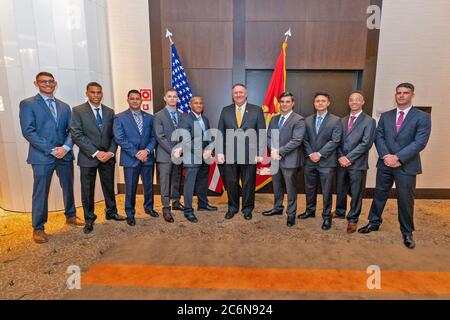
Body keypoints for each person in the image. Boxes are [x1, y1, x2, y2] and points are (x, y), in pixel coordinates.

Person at [358, 83, 431, 249]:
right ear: (395, 95)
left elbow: (420, 142)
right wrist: (386, 156)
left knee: (405, 199)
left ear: (412, 95)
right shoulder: (386, 116)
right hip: (385, 163)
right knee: (379, 194)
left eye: (405, 93)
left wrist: (398, 157)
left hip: (406, 165)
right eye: (399, 93)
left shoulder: (422, 117)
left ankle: (407, 232)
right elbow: (379, 137)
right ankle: (373, 222)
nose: (401, 95)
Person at [19, 71, 83, 243]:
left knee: (68, 187)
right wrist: (52, 150)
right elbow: (28, 131)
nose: (47, 84)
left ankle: (70, 215)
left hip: (64, 155)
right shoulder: (28, 104)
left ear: (55, 84)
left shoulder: (64, 106)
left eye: (50, 81)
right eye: (43, 81)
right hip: (42, 157)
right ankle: (38, 228)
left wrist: (66, 147)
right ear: (36, 83)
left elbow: (72, 130)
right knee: (41, 192)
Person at [71, 82, 126, 234]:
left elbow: (115, 135)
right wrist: (95, 153)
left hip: (108, 157)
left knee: (109, 187)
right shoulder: (78, 111)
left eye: (99, 92)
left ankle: (111, 212)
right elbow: (76, 134)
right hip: (89, 157)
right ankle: (89, 219)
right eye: (93, 92)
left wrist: (111, 152)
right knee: (87, 190)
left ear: (102, 94)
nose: (96, 95)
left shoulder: (109, 111)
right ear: (87, 93)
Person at [217, 83, 266, 220]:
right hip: (230, 154)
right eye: (235, 93)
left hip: (250, 154)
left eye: (241, 92)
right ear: (232, 95)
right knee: (231, 183)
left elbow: (262, 133)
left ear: (246, 94)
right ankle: (232, 208)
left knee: (248, 183)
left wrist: (260, 153)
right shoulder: (225, 110)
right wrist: (220, 152)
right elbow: (220, 132)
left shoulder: (256, 110)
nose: (238, 95)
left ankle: (247, 209)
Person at [113, 90, 158, 226]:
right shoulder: (119, 117)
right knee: (131, 188)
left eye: (137, 98)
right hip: (130, 158)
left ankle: (149, 208)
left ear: (141, 100)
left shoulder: (150, 118)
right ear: (127, 100)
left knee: (148, 185)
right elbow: (120, 138)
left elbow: (154, 137)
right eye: (132, 99)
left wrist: (147, 151)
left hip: (147, 158)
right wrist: (137, 153)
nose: (135, 101)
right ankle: (130, 213)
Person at [334, 91, 376, 233]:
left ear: (363, 102)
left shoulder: (369, 121)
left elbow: (366, 144)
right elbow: (337, 141)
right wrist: (341, 156)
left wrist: (349, 158)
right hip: (341, 162)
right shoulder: (342, 120)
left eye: (357, 100)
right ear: (348, 102)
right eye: (351, 99)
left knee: (356, 192)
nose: (354, 102)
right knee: (340, 188)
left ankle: (353, 219)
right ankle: (340, 211)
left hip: (357, 163)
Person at [299, 92, 342, 230]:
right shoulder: (307, 120)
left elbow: (335, 140)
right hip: (310, 160)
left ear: (328, 103)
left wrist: (320, 154)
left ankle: (326, 216)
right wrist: (311, 153)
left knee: (326, 191)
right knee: (309, 188)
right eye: (317, 101)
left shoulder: (336, 120)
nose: (320, 103)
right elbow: (304, 139)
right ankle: (310, 211)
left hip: (327, 162)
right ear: (314, 103)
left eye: (323, 101)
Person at [263, 92, 305, 227]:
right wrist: (274, 151)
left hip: (290, 160)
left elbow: (296, 140)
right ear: (279, 103)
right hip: (276, 158)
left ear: (293, 103)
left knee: (290, 188)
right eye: (282, 102)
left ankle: (291, 214)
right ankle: (277, 208)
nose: (284, 104)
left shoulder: (299, 120)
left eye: (287, 102)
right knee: (277, 185)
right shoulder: (274, 119)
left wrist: (280, 151)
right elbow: (268, 136)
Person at [175, 96, 218, 223]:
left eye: (200, 103)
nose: (199, 105)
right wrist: (202, 152)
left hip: (205, 157)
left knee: (203, 181)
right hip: (192, 156)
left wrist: (210, 149)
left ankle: (203, 204)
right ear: (190, 105)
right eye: (196, 103)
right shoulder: (185, 119)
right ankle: (188, 210)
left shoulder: (205, 119)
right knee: (190, 184)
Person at [154, 88, 184, 223]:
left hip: (179, 154)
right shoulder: (158, 115)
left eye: (175, 96)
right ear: (164, 98)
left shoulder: (182, 115)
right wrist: (173, 150)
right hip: (165, 155)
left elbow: (185, 134)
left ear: (178, 99)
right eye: (170, 96)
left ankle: (176, 202)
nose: (172, 99)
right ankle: (166, 209)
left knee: (176, 180)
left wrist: (182, 148)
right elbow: (160, 137)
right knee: (165, 183)